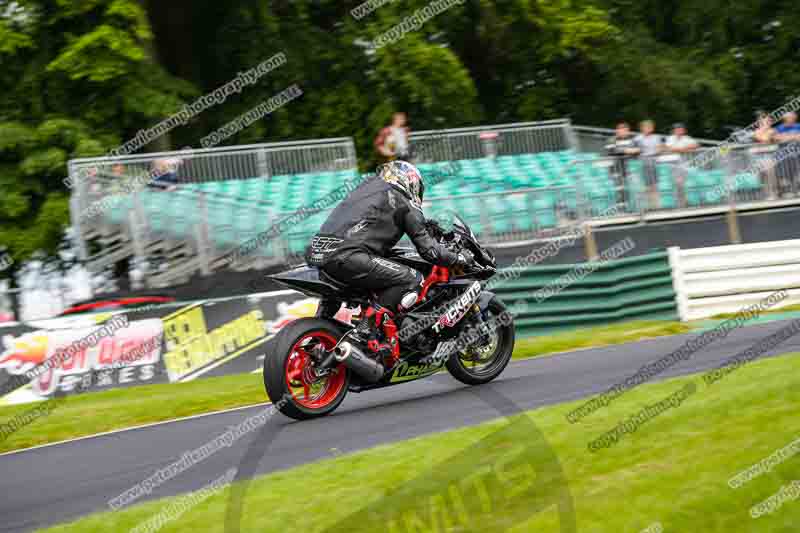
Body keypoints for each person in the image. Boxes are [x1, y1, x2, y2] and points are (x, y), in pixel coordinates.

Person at [305, 160, 474, 339]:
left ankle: (316, 335)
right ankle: (366, 331)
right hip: (349, 257)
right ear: (410, 182)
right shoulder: (402, 200)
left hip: (319, 255)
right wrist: (459, 258)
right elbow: (429, 251)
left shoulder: (363, 190)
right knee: (413, 279)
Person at [605, 122, 640, 207]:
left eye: (625, 130)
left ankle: (630, 207)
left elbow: (638, 150)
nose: (623, 131)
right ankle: (620, 208)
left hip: (629, 169)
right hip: (616, 169)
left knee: (629, 189)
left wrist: (625, 151)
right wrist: (627, 151)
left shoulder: (633, 140)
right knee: (619, 189)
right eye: (621, 130)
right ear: (617, 131)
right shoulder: (611, 140)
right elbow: (612, 151)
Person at [635, 120, 664, 209]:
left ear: (652, 128)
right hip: (643, 164)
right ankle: (646, 207)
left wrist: (655, 151)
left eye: (649, 127)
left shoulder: (657, 137)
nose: (647, 129)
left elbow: (661, 148)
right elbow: (633, 149)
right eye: (645, 127)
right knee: (645, 186)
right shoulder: (637, 138)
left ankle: (656, 206)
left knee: (654, 185)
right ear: (641, 128)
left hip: (654, 163)